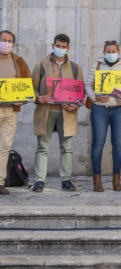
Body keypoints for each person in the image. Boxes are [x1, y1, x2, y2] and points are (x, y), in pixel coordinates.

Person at [31, 34, 84, 193]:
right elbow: (32, 87)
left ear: (68, 48)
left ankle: (66, 180)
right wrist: (37, 98)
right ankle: (39, 181)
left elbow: (80, 93)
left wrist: (76, 106)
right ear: (52, 46)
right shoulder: (40, 65)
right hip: (46, 111)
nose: (60, 49)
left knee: (66, 148)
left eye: (63, 47)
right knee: (42, 147)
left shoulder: (75, 68)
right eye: (58, 46)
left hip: (66, 113)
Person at [85, 40, 121, 192]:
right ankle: (97, 180)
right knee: (98, 144)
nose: (111, 54)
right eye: (108, 51)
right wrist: (94, 97)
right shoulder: (97, 65)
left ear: (118, 52)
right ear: (103, 52)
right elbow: (87, 84)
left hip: (120, 110)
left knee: (118, 144)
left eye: (114, 51)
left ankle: (116, 179)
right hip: (100, 109)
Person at [0, 30, 31, 195]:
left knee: (5, 146)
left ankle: (0, 182)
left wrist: (23, 99)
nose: (6, 43)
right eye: (3, 40)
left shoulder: (18, 61)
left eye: (9, 40)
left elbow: (27, 83)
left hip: (11, 110)